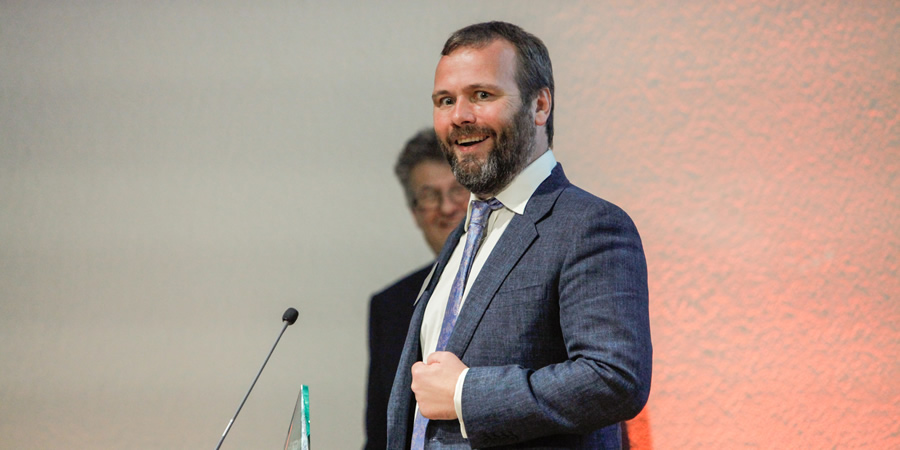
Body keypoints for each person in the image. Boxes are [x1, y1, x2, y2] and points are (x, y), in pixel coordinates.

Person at [386, 22, 652, 449]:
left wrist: (465, 393)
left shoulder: (589, 225)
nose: (459, 116)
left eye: (482, 95)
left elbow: (614, 379)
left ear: (539, 105)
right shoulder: (464, 235)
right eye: (445, 100)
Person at [366, 128, 470, 450]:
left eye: (457, 190)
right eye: (429, 196)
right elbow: (379, 434)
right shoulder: (390, 305)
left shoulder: (516, 285)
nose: (446, 207)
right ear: (414, 212)